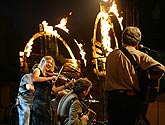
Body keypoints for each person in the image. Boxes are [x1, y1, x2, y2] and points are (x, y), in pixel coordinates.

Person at [105, 26, 165, 125]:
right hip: (129, 100)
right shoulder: (139, 55)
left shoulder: (111, 56)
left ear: (122, 39)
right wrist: (148, 78)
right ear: (137, 42)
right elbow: (161, 69)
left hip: (112, 100)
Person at [30, 56, 73, 125]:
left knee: (47, 121)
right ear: (43, 62)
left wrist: (67, 85)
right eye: (48, 62)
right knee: (39, 121)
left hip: (47, 101)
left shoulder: (48, 76)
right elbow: (35, 79)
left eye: (51, 63)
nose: (49, 65)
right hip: (39, 100)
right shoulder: (38, 70)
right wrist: (50, 78)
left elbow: (55, 90)